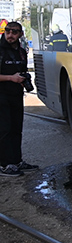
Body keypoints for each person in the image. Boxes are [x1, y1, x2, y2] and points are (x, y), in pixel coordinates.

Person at [0, 21, 38, 177]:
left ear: (20, 34)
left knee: (17, 129)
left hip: (16, 95)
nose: (10, 35)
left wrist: (23, 78)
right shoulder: (0, 50)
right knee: (5, 130)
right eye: (8, 31)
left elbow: (21, 72)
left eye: (14, 32)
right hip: (2, 96)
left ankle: (16, 161)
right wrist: (11, 78)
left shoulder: (21, 52)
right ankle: (5, 164)